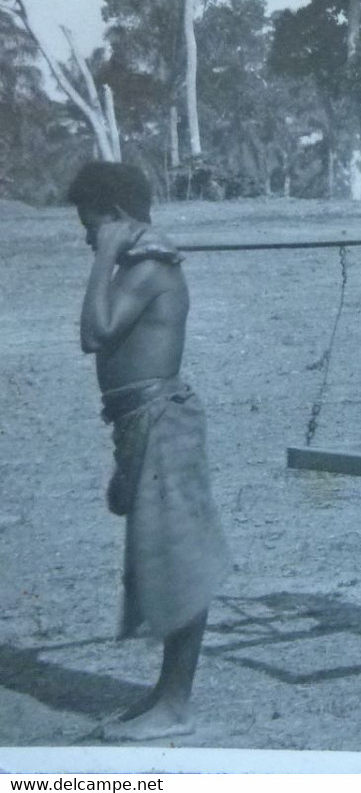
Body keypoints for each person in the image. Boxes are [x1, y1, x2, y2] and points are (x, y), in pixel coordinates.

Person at [66, 161, 230, 740]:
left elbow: (94, 333)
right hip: (139, 424)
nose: (87, 237)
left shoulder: (148, 266)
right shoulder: (140, 263)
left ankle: (176, 705)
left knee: (179, 561)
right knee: (162, 561)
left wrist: (102, 256)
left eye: (91, 226)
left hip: (162, 422)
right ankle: (165, 695)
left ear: (113, 217)